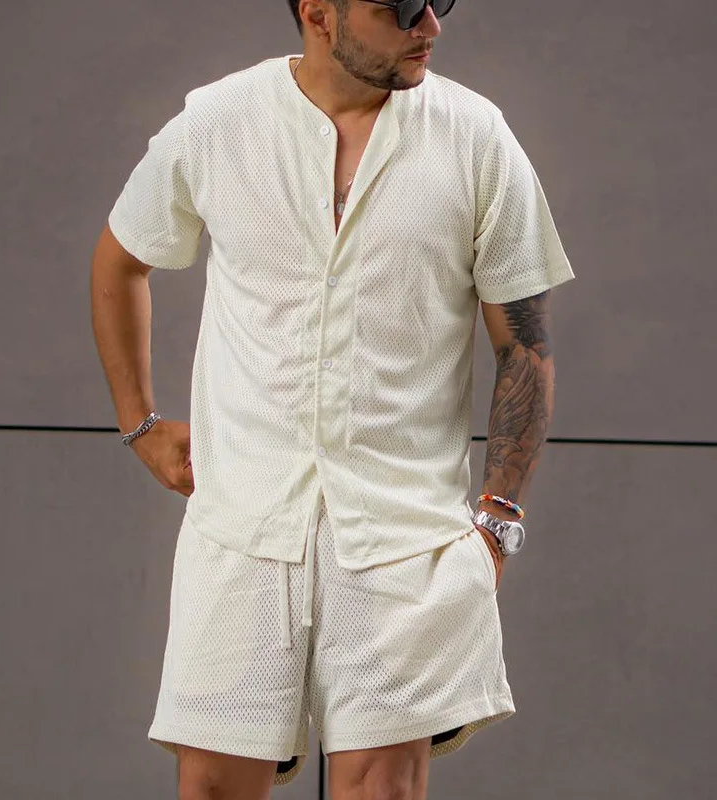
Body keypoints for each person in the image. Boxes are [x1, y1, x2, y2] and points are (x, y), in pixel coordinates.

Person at [90, 0, 575, 797]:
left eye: (440, 0)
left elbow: (525, 346)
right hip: (241, 527)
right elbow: (120, 259)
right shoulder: (218, 122)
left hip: (406, 536)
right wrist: (139, 423)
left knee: (380, 791)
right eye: (402, 6)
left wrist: (498, 519)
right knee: (212, 786)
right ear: (319, 13)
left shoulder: (476, 137)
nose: (431, 25)